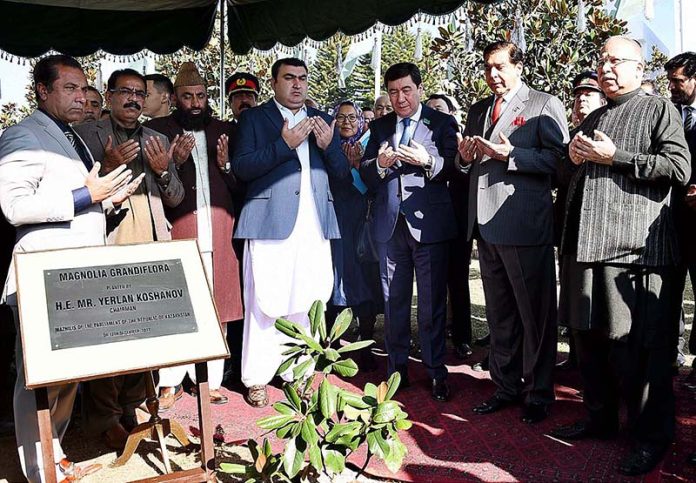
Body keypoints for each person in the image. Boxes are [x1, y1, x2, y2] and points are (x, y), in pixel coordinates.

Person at [551, 37, 691, 476]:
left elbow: (678, 168)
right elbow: (565, 175)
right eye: (602, 61)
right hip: (584, 248)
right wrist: (571, 158)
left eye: (616, 61)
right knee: (588, 344)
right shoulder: (593, 116)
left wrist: (620, 157)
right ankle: (600, 418)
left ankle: (651, 437)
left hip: (636, 253)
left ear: (638, 67)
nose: (606, 68)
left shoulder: (658, 109)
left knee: (638, 353)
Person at [0, 54, 142, 483]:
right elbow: (13, 206)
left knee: (66, 375)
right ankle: (41, 469)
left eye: (84, 89)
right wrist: (87, 195)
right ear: (42, 91)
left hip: (75, 271)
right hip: (41, 273)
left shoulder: (73, 137)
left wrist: (107, 202)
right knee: (39, 378)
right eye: (70, 88)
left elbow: (80, 198)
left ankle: (54, 453)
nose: (82, 97)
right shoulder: (23, 134)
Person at [459, 41, 568, 423]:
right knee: (500, 315)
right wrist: (464, 157)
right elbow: (467, 161)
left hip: (523, 225)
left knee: (535, 316)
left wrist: (512, 156)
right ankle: (505, 386)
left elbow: (560, 162)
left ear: (519, 67)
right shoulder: (478, 110)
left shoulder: (543, 104)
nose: (493, 75)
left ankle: (539, 392)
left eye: (500, 67)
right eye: (488, 67)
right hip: (485, 228)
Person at [73, 68, 183, 449]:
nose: (134, 99)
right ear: (110, 95)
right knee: (109, 339)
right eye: (126, 92)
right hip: (107, 246)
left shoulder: (157, 138)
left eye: (140, 93)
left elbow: (176, 198)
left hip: (151, 248)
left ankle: (132, 407)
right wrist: (106, 167)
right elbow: (74, 195)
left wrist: (163, 170)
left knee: (149, 335)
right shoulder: (86, 136)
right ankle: (104, 419)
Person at [232, 57, 350, 407]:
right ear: (273, 82)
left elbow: (342, 175)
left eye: (302, 78)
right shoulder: (254, 118)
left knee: (308, 297)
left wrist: (330, 147)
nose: (297, 85)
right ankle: (256, 377)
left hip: (314, 223)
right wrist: (282, 145)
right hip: (270, 221)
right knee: (265, 300)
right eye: (289, 78)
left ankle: (299, 373)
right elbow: (241, 168)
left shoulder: (324, 121)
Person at [146, 62, 243, 408]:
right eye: (188, 97)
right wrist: (175, 162)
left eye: (201, 96)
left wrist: (226, 166)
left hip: (219, 231)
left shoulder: (223, 130)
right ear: (175, 98)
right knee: (177, 306)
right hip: (180, 230)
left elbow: (239, 186)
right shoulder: (157, 130)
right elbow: (156, 185)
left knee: (218, 307)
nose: (196, 103)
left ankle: (211, 381)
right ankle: (170, 381)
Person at [360, 62, 458, 402]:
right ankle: (396, 370)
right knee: (393, 301)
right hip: (390, 226)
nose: (400, 98)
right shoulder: (380, 126)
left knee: (431, 304)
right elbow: (367, 173)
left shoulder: (441, 123)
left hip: (428, 225)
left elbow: (455, 169)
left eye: (406, 90)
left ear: (419, 89)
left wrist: (427, 161)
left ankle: (435, 372)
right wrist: (380, 165)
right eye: (393, 91)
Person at [556, 71, 607, 372]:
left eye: (588, 95)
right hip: (569, 233)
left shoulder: (608, 136)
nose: (581, 101)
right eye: (577, 97)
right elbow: (558, 177)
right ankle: (575, 357)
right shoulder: (569, 140)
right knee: (572, 299)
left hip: (601, 236)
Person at [328, 100, 382, 371]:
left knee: (364, 282)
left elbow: (370, 186)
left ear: (361, 121)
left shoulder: (369, 146)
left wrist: (358, 165)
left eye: (352, 117)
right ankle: (331, 344)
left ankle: (367, 344)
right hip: (334, 223)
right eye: (340, 117)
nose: (347, 122)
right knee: (334, 281)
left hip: (362, 225)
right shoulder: (326, 146)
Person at [425, 93, 474, 361]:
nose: (434, 114)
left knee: (457, 280)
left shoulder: (461, 143)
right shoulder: (420, 139)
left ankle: (462, 337)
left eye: (440, 109)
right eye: (430, 109)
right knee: (431, 282)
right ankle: (433, 335)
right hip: (429, 222)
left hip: (456, 222)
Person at [665, 52, 696, 381]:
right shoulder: (668, 114)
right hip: (670, 221)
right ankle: (672, 352)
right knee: (669, 291)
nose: (672, 87)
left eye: (678, 81)